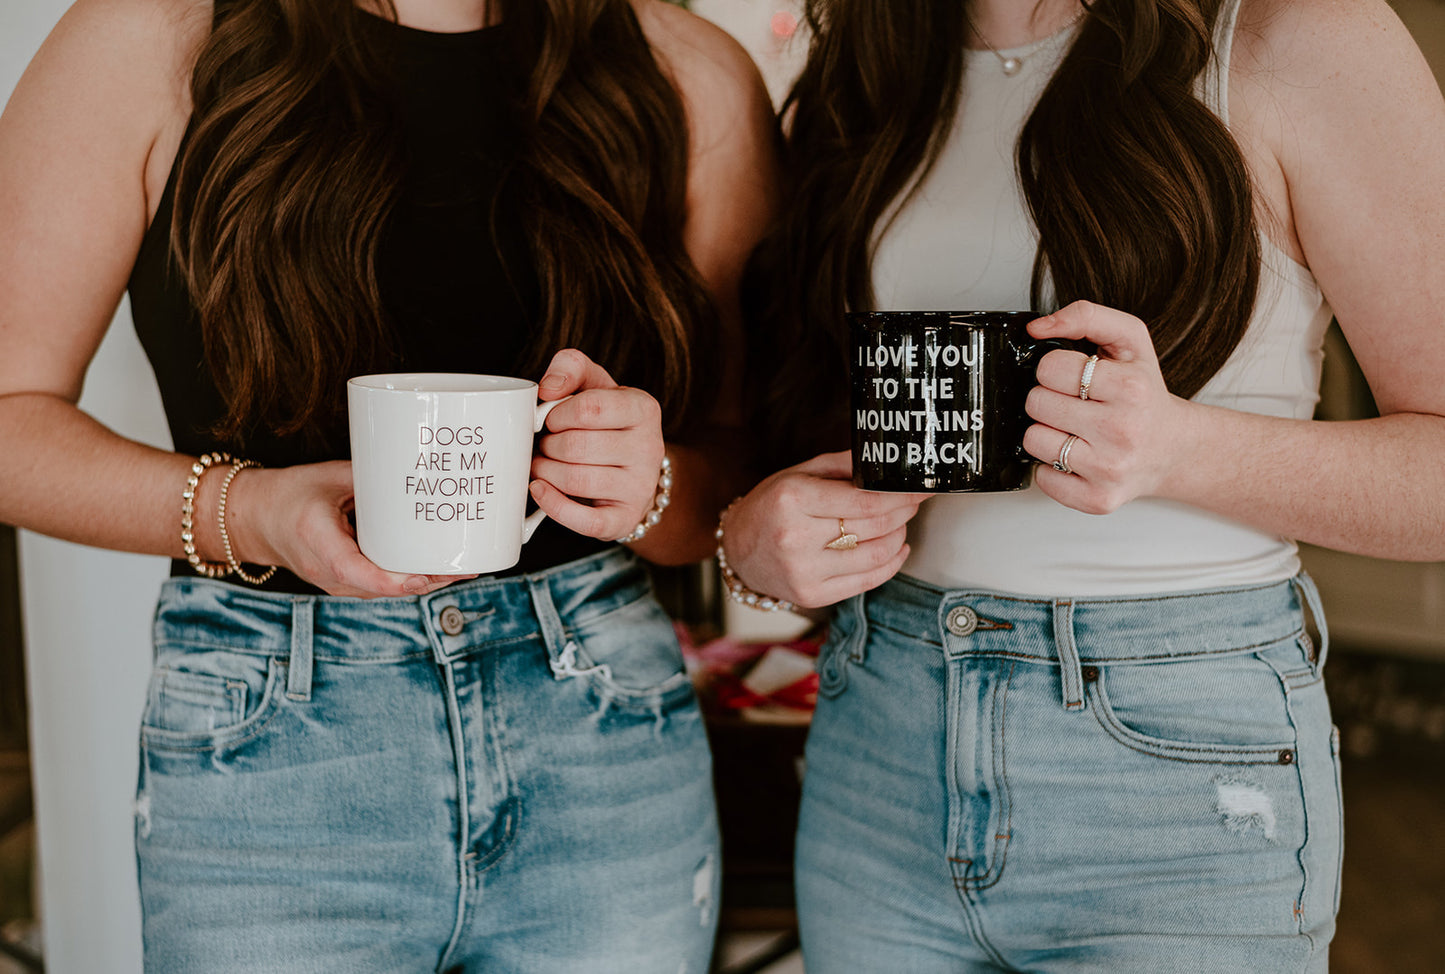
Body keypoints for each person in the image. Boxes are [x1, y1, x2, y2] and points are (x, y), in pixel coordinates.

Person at [0, 0, 777, 969]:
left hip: (597, 727)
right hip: (271, 737)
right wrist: (254, 513)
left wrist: (650, 483)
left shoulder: (686, 70)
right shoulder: (149, 35)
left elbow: (739, 480)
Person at [721, 0, 1445, 969]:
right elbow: (789, 430)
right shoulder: (873, 67)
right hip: (881, 742)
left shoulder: (1293, 38)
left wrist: (1177, 448)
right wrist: (751, 539)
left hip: (1177, 779)